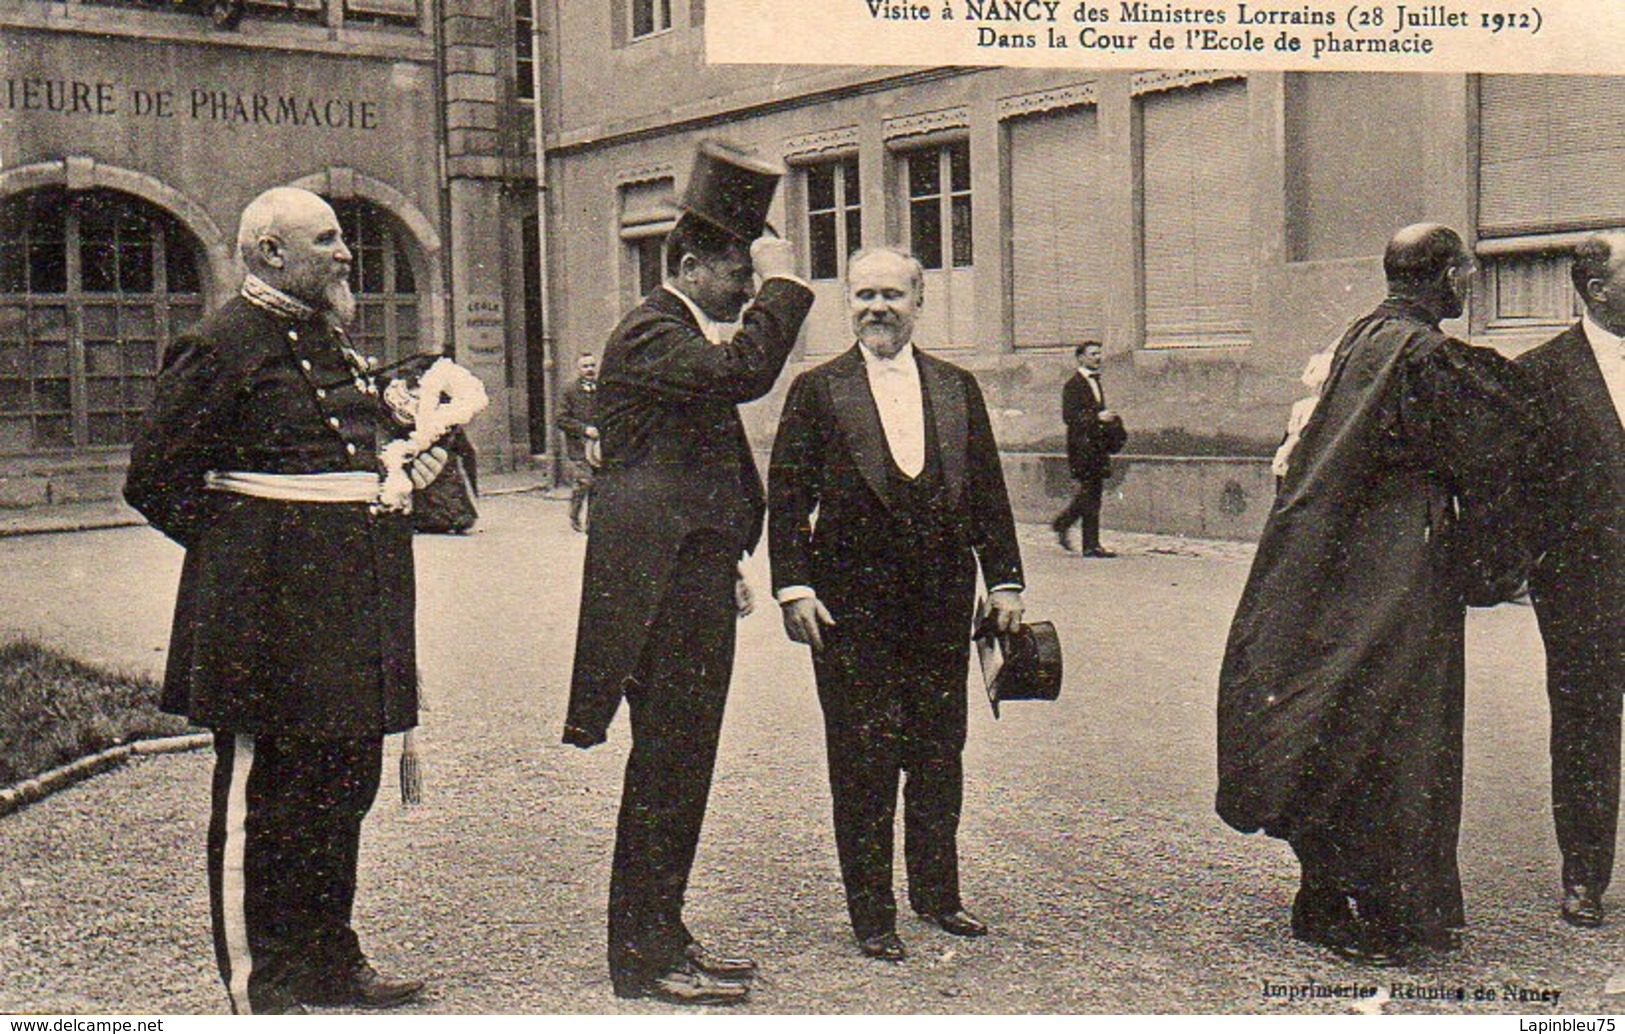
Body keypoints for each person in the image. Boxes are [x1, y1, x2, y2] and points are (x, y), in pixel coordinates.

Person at [124, 186, 443, 1014]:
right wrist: (246, 562)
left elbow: (338, 461)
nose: (346, 254)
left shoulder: (326, 338)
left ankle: (330, 960)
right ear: (269, 252)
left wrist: (397, 476)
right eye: (328, 240)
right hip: (266, 619)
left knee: (341, 787)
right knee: (263, 797)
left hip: (346, 610)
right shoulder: (221, 344)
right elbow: (154, 481)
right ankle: (259, 987)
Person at [1215, 224, 1539, 965]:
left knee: (1342, 720)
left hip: (1342, 569)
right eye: (1466, 273)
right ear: (1449, 276)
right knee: (1398, 735)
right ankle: (1375, 908)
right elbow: (1490, 450)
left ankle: (1328, 893)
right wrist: (1496, 557)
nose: (1470, 286)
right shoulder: (1421, 354)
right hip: (1394, 575)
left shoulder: (1362, 338)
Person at [564, 206, 813, 1004]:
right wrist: (788, 282)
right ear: (691, 264)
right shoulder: (650, 332)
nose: (747, 288)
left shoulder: (672, 333)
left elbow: (693, 459)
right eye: (739, 271)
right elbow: (747, 372)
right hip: (656, 592)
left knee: (683, 765)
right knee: (668, 767)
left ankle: (664, 934)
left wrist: (724, 551)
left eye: (753, 276)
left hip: (686, 574)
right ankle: (641, 959)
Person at [769, 246, 1025, 962]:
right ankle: (871, 913)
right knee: (863, 757)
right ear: (845, 302)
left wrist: (1003, 579)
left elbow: (987, 492)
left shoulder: (955, 387)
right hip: (850, 612)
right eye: (863, 295)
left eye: (892, 295)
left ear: (920, 301)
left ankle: (938, 896)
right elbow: (787, 497)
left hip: (942, 605)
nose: (877, 308)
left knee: (940, 753)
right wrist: (794, 588)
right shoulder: (817, 390)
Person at [1516, 232, 1625, 928]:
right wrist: (1536, 573)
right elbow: (1521, 490)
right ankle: (1583, 876)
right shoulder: (1540, 374)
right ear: (1597, 291)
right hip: (1585, 591)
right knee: (1585, 730)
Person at [1050, 340, 1126, 557]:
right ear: (1080, 358)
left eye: (1099, 353)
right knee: (1091, 495)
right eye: (1093, 354)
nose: (1098, 357)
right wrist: (1097, 417)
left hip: (1096, 446)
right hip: (1082, 448)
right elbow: (1069, 417)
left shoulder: (1095, 382)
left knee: (1091, 494)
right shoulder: (1072, 385)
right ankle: (1089, 544)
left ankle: (1065, 526)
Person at [556, 353, 600, 533]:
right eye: (585, 366)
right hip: (579, 446)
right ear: (578, 369)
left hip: (598, 447)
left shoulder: (601, 389)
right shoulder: (570, 390)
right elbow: (561, 418)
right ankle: (574, 514)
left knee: (597, 485)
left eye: (592, 365)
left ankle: (592, 523)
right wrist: (584, 429)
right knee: (585, 482)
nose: (589, 369)